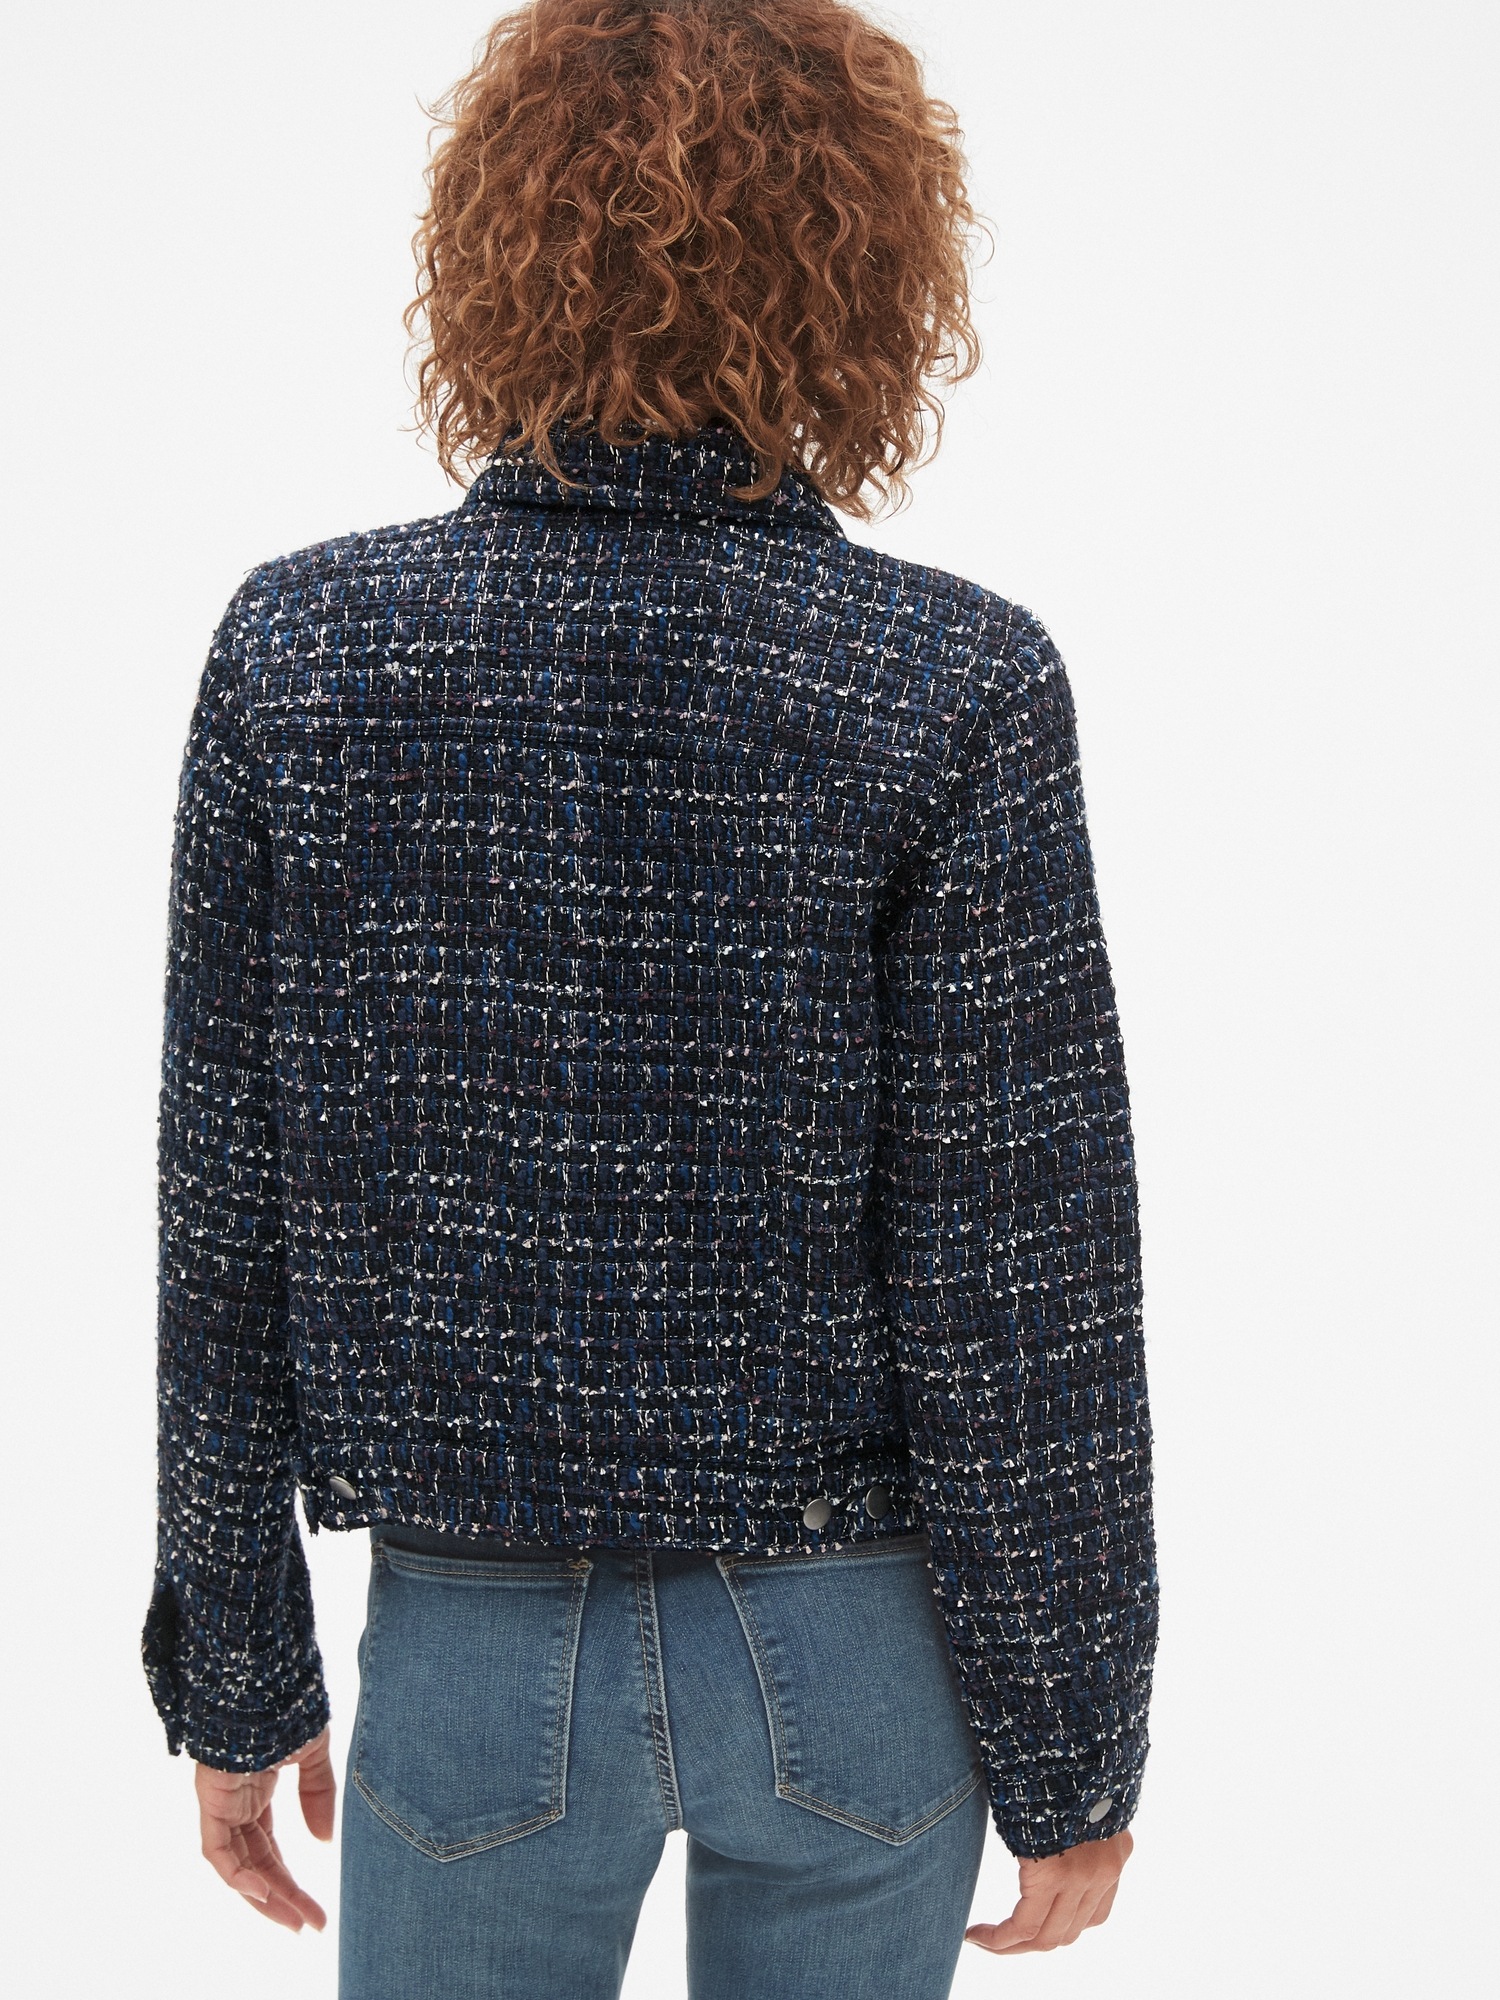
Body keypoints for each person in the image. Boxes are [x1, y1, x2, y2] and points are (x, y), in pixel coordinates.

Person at [143, 2, 1158, 1994]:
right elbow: (1019, 1273)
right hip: (854, 1645)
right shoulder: (948, 682)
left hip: (474, 1642)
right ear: (871, 273)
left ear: (492, 254)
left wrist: (236, 1676)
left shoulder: (305, 654)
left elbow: (224, 1223)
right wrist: (1075, 1744)